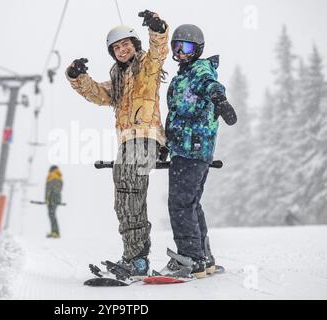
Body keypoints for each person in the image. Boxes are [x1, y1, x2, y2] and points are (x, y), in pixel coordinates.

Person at [66, 10, 169, 277]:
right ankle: (134, 256)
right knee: (124, 200)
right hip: (127, 142)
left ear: (135, 46)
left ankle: (137, 259)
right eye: (116, 48)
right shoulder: (118, 78)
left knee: (131, 196)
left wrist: (157, 29)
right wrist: (78, 77)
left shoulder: (147, 67)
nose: (121, 50)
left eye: (126, 45)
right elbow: (99, 95)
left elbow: (158, 52)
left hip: (144, 138)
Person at [162, 24, 237, 278]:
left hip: (191, 148)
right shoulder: (182, 75)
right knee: (191, 203)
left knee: (180, 203)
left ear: (199, 49)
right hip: (187, 148)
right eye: (177, 46)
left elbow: (209, 85)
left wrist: (220, 100)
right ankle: (204, 258)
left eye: (188, 47)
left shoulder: (199, 70)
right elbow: (175, 115)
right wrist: (166, 145)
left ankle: (190, 259)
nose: (182, 52)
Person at [45, 165, 63, 238]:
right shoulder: (59, 177)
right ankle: (54, 232)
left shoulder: (51, 176)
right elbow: (59, 189)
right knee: (52, 214)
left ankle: (55, 232)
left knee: (52, 215)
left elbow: (48, 189)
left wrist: (47, 199)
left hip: (51, 198)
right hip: (57, 198)